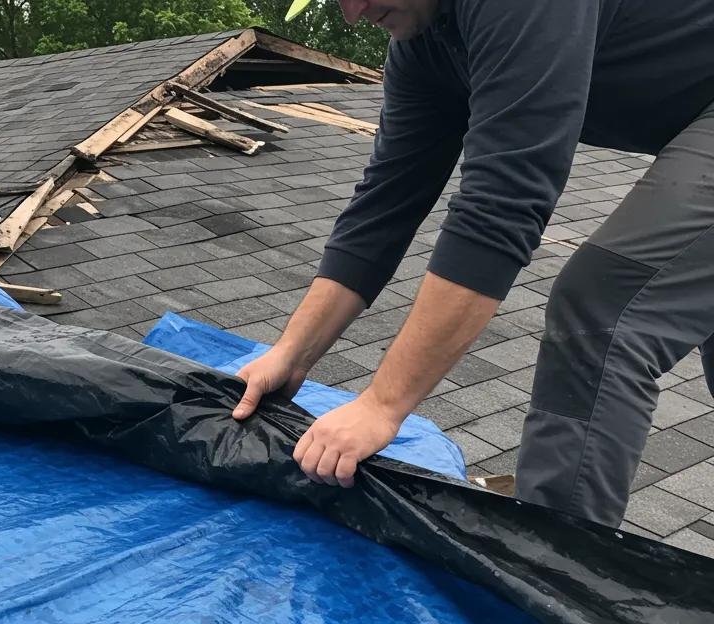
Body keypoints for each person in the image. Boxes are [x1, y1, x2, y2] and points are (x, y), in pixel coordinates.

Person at [232, 0, 714, 527]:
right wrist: (292, 354)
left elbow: (502, 205)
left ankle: (547, 561)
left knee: (605, 307)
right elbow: (385, 202)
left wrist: (382, 405)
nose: (353, 12)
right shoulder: (424, 43)